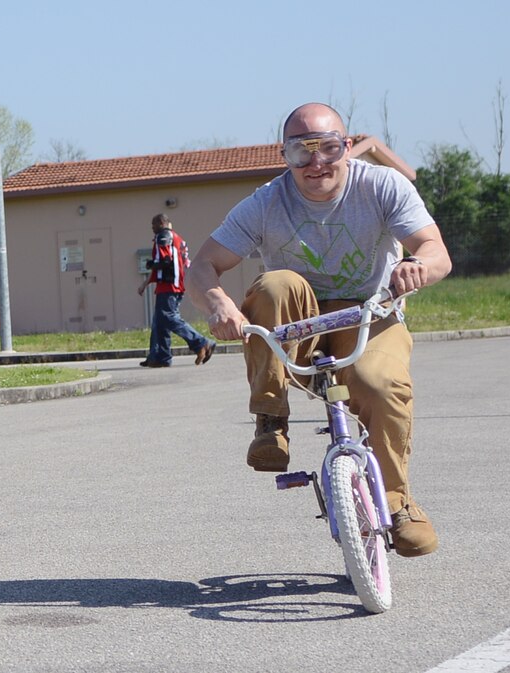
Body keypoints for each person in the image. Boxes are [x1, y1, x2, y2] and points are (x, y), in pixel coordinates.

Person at [187, 102, 451, 557]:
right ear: (283, 155)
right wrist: (218, 302)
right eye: (300, 151)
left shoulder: (381, 185)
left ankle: (397, 501)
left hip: (369, 313)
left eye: (328, 148)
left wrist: (417, 265)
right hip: (299, 324)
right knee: (274, 283)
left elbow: (436, 250)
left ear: (346, 147)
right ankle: (271, 420)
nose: (316, 163)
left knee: (379, 383)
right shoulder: (267, 202)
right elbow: (202, 267)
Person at [137, 213, 215, 368]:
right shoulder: (177, 238)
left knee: (168, 317)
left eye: (153, 225)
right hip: (174, 284)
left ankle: (201, 342)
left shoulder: (163, 236)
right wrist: (146, 282)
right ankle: (159, 356)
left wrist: (151, 264)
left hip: (169, 285)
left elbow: (165, 261)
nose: (152, 228)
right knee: (159, 322)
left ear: (161, 223)